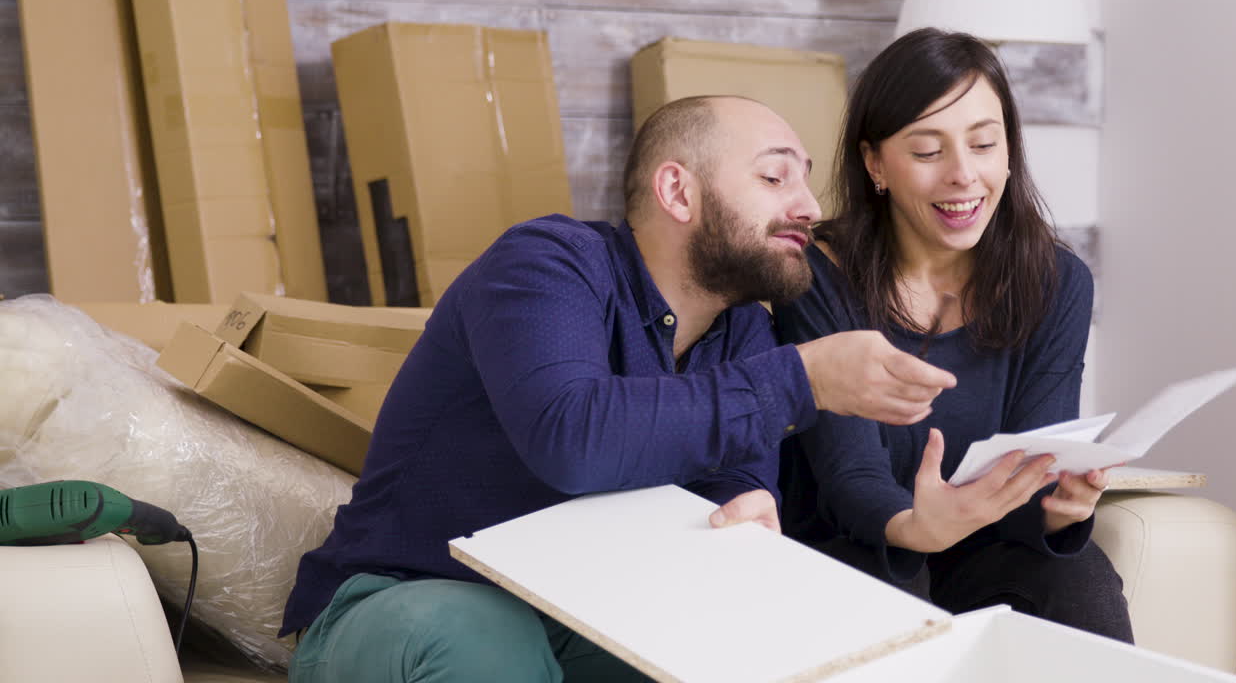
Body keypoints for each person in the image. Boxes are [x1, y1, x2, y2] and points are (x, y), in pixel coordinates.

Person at [280, 94, 957, 683]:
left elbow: (733, 496)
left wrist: (746, 511)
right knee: (484, 638)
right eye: (775, 176)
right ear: (677, 192)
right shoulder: (545, 265)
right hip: (410, 602)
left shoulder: (744, 329)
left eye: (805, 181)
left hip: (582, 616)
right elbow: (572, 439)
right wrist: (803, 378)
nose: (809, 207)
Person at [773, 28, 1133, 642]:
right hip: (855, 548)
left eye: (984, 144)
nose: (964, 176)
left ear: (1009, 150)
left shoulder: (1057, 281)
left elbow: (1033, 465)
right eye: (927, 151)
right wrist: (916, 526)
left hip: (976, 552)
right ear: (874, 163)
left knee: (1080, 578)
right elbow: (849, 481)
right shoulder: (814, 274)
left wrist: (1059, 511)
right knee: (897, 588)